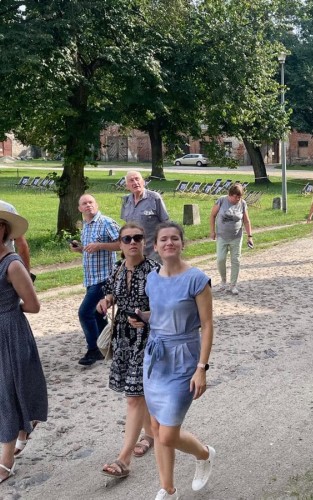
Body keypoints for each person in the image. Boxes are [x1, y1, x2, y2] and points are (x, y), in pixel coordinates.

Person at [138, 221, 215, 500]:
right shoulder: (152, 279)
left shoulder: (197, 279)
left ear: (182, 243)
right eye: (163, 239)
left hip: (184, 359)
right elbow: (160, 315)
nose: (169, 243)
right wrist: (142, 317)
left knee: (168, 434)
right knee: (156, 427)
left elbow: (207, 325)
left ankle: (204, 454)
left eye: (174, 238)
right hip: (155, 360)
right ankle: (168, 489)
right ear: (155, 246)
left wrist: (201, 368)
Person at [97, 223, 160, 479]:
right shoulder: (118, 268)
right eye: (127, 239)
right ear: (120, 245)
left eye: (137, 238)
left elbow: (168, 307)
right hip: (123, 337)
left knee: (134, 396)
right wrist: (107, 300)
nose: (132, 242)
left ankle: (123, 460)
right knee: (136, 391)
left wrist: (146, 316)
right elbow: (111, 292)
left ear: (144, 241)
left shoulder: (155, 270)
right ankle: (150, 435)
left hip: (147, 338)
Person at [0, 210, 48, 484]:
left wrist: (7, 311)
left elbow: (33, 305)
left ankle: (6, 460)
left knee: (6, 393)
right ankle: (24, 426)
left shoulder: (12, 264)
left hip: (9, 333)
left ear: (3, 230)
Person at [70, 194, 120, 366]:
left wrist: (100, 245)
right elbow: (90, 250)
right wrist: (80, 249)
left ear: (96, 205)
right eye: (84, 203)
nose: (88, 205)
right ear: (79, 208)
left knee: (85, 312)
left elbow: (122, 244)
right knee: (98, 313)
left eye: (91, 202)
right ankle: (107, 345)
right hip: (91, 277)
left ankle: (94, 349)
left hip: (104, 277)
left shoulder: (106, 222)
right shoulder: (85, 225)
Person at [209, 183, 253, 295]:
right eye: (236, 196)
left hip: (236, 237)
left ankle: (233, 285)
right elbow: (212, 215)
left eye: (240, 196)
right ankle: (223, 281)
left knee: (236, 260)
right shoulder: (221, 200)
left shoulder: (242, 203)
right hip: (222, 236)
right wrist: (212, 231)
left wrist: (250, 236)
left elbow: (246, 221)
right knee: (220, 259)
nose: (238, 199)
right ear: (230, 195)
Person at [121, 171, 170, 260]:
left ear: (143, 182)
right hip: (135, 252)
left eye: (137, 179)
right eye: (131, 180)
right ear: (127, 186)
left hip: (153, 252)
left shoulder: (154, 198)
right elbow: (127, 226)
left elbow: (166, 224)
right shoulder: (126, 200)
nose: (135, 182)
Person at [0, 200, 31, 271]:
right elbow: (22, 246)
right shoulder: (6, 208)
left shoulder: (7, 209)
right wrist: (27, 273)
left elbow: (21, 245)